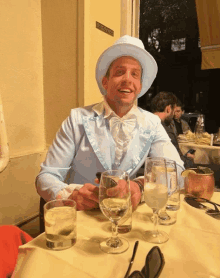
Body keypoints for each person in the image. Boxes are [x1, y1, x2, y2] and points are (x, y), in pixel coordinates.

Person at [36, 35, 185, 211]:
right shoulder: (77, 119)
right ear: (105, 82)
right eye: (119, 72)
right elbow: (46, 176)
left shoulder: (151, 123)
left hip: (123, 216)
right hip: (80, 215)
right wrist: (69, 196)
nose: (128, 79)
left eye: (135, 74)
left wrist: (139, 186)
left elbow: (176, 172)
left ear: (139, 85)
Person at [151, 91, 194, 169]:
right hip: (164, 173)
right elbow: (179, 163)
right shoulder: (166, 132)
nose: (173, 115)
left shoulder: (142, 124)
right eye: (173, 111)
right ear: (168, 109)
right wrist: (189, 159)